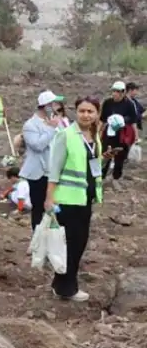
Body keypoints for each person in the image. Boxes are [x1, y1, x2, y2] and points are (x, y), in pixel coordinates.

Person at [44, 97, 110, 302]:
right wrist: (49, 198)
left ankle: (60, 282)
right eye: (82, 111)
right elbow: (54, 170)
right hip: (67, 200)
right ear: (76, 112)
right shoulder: (66, 136)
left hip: (85, 199)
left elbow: (92, 165)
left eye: (90, 111)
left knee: (79, 243)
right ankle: (67, 287)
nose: (86, 115)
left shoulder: (93, 135)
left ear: (97, 114)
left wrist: (104, 158)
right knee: (71, 245)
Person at [20, 90, 62, 232]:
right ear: (46, 106)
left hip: (54, 172)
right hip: (38, 173)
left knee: (55, 206)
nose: (57, 106)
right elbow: (38, 145)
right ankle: (37, 240)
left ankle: (53, 238)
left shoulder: (56, 121)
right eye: (54, 104)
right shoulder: (30, 125)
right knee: (38, 208)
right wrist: (51, 128)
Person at [101, 81, 138, 188]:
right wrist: (98, 133)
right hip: (109, 133)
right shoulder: (108, 103)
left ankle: (116, 178)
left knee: (120, 156)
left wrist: (135, 136)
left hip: (123, 134)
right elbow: (103, 120)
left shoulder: (129, 104)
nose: (115, 94)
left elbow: (133, 121)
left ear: (123, 92)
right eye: (114, 91)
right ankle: (101, 177)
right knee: (105, 153)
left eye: (118, 92)